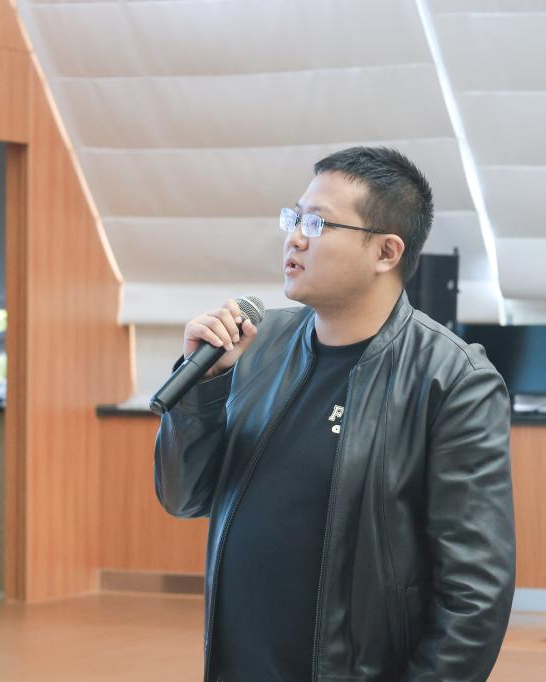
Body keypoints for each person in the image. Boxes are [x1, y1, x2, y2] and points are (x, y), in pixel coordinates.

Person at [154, 146, 515, 682]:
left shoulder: (452, 380)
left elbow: (475, 594)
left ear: (386, 252)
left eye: (318, 224)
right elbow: (183, 497)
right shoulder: (257, 346)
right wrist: (203, 389)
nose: (295, 238)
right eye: (294, 218)